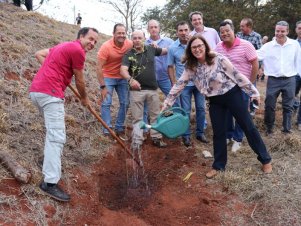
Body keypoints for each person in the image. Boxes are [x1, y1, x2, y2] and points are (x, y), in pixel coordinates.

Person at [162, 34, 272, 178]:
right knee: (219, 133)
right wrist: (168, 102)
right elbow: (180, 84)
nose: (197, 49)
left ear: (205, 46)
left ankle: (265, 160)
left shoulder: (218, 58)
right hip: (215, 101)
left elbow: (236, 75)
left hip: (232, 94)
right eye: (194, 47)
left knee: (247, 126)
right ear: (190, 50)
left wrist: (253, 92)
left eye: (200, 46)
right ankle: (219, 166)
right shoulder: (191, 66)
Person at [29, 27, 99, 201]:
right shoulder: (77, 50)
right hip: (50, 94)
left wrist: (57, 72)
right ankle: (49, 183)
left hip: (37, 92)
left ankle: (46, 162)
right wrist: (84, 99)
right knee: (57, 137)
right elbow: (80, 79)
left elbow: (39, 54)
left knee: (52, 132)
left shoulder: (63, 46)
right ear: (81, 36)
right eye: (90, 39)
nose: (92, 43)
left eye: (95, 42)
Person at [120, 30, 168, 150]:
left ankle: (156, 138)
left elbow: (166, 51)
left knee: (155, 115)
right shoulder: (129, 54)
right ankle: (137, 141)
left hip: (152, 90)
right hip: (136, 91)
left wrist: (182, 43)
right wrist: (130, 80)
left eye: (139, 38)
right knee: (137, 117)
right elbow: (123, 70)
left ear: (144, 38)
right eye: (134, 38)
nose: (137, 40)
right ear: (132, 40)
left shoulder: (151, 49)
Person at [216, 21, 259, 153]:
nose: (225, 33)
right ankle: (228, 135)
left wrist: (250, 84)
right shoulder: (218, 47)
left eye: (227, 30)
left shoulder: (246, 45)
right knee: (228, 112)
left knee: (242, 114)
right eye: (222, 32)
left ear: (233, 31)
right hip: (226, 87)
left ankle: (238, 138)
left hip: (242, 86)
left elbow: (255, 64)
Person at [168, 21, 207, 147]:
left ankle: (200, 133)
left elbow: (205, 59)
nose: (184, 33)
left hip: (199, 83)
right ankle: (186, 135)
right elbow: (170, 66)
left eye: (186, 30)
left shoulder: (196, 43)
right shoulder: (173, 47)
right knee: (186, 110)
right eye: (181, 30)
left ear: (190, 30)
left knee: (201, 108)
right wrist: (174, 82)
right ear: (177, 32)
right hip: (184, 85)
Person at [257, 21, 301, 135]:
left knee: (288, 106)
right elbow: (256, 55)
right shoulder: (268, 46)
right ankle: (269, 128)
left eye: (282, 31)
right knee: (270, 105)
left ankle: (286, 129)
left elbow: (299, 61)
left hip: (290, 79)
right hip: (273, 79)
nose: (279, 33)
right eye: (277, 31)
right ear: (275, 31)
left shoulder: (294, 45)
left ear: (287, 31)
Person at [97, 24, 133, 140]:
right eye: (119, 33)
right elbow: (98, 68)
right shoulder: (106, 47)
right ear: (114, 34)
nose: (121, 35)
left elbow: (140, 46)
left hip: (123, 77)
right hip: (108, 76)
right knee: (106, 102)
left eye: (123, 33)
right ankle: (107, 129)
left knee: (125, 102)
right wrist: (103, 86)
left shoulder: (129, 43)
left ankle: (119, 127)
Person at [237, 18, 262, 114]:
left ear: (249, 27)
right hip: (240, 68)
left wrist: (260, 68)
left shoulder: (256, 37)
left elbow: (260, 53)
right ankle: (241, 107)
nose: (240, 28)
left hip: (252, 68)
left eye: (242, 26)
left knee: (251, 88)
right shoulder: (238, 35)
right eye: (240, 26)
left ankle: (252, 110)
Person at [293, 21, 301, 130]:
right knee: (291, 95)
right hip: (294, 74)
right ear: (296, 29)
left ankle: (300, 121)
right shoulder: (292, 44)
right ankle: (294, 107)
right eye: (299, 28)